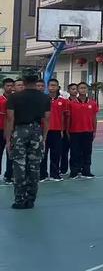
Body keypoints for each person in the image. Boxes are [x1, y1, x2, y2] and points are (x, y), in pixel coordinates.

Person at [5, 72, 51, 209]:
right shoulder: (44, 98)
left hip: (19, 131)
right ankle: (30, 199)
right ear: (36, 81)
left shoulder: (14, 97)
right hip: (37, 131)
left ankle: (19, 199)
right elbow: (47, 119)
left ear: (23, 81)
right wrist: (44, 136)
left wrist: (8, 139)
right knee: (34, 166)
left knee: (19, 165)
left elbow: (10, 118)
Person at [68, 81, 99, 177]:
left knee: (87, 152)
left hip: (88, 131)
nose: (83, 89)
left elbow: (94, 118)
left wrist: (94, 131)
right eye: (81, 88)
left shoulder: (93, 103)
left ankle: (86, 170)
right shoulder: (71, 103)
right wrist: (67, 131)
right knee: (74, 152)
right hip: (75, 132)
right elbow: (68, 118)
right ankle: (74, 171)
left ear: (87, 90)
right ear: (77, 90)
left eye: (85, 88)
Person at [43, 78, 69, 180]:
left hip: (57, 131)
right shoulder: (43, 100)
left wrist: (62, 130)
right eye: (50, 85)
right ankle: (43, 174)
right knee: (43, 154)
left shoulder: (63, 101)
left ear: (58, 87)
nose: (52, 87)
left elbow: (64, 117)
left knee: (56, 153)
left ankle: (54, 174)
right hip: (44, 131)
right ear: (47, 87)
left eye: (54, 85)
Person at [1, 78, 14, 183]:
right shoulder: (0, 100)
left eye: (11, 85)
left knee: (11, 153)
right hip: (0, 130)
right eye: (7, 85)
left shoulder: (16, 100)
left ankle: (9, 175)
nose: (9, 87)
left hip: (13, 130)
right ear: (3, 87)